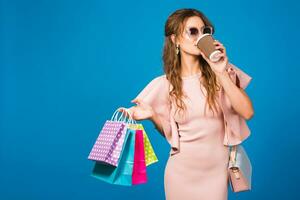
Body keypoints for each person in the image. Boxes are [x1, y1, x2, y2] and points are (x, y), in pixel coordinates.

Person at [120, 8, 254, 200]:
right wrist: (153, 116)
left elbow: (247, 112)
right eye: (192, 31)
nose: (200, 37)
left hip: (216, 173)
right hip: (180, 174)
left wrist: (221, 72)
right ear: (175, 40)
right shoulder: (164, 84)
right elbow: (173, 136)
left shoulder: (223, 73)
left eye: (205, 31)